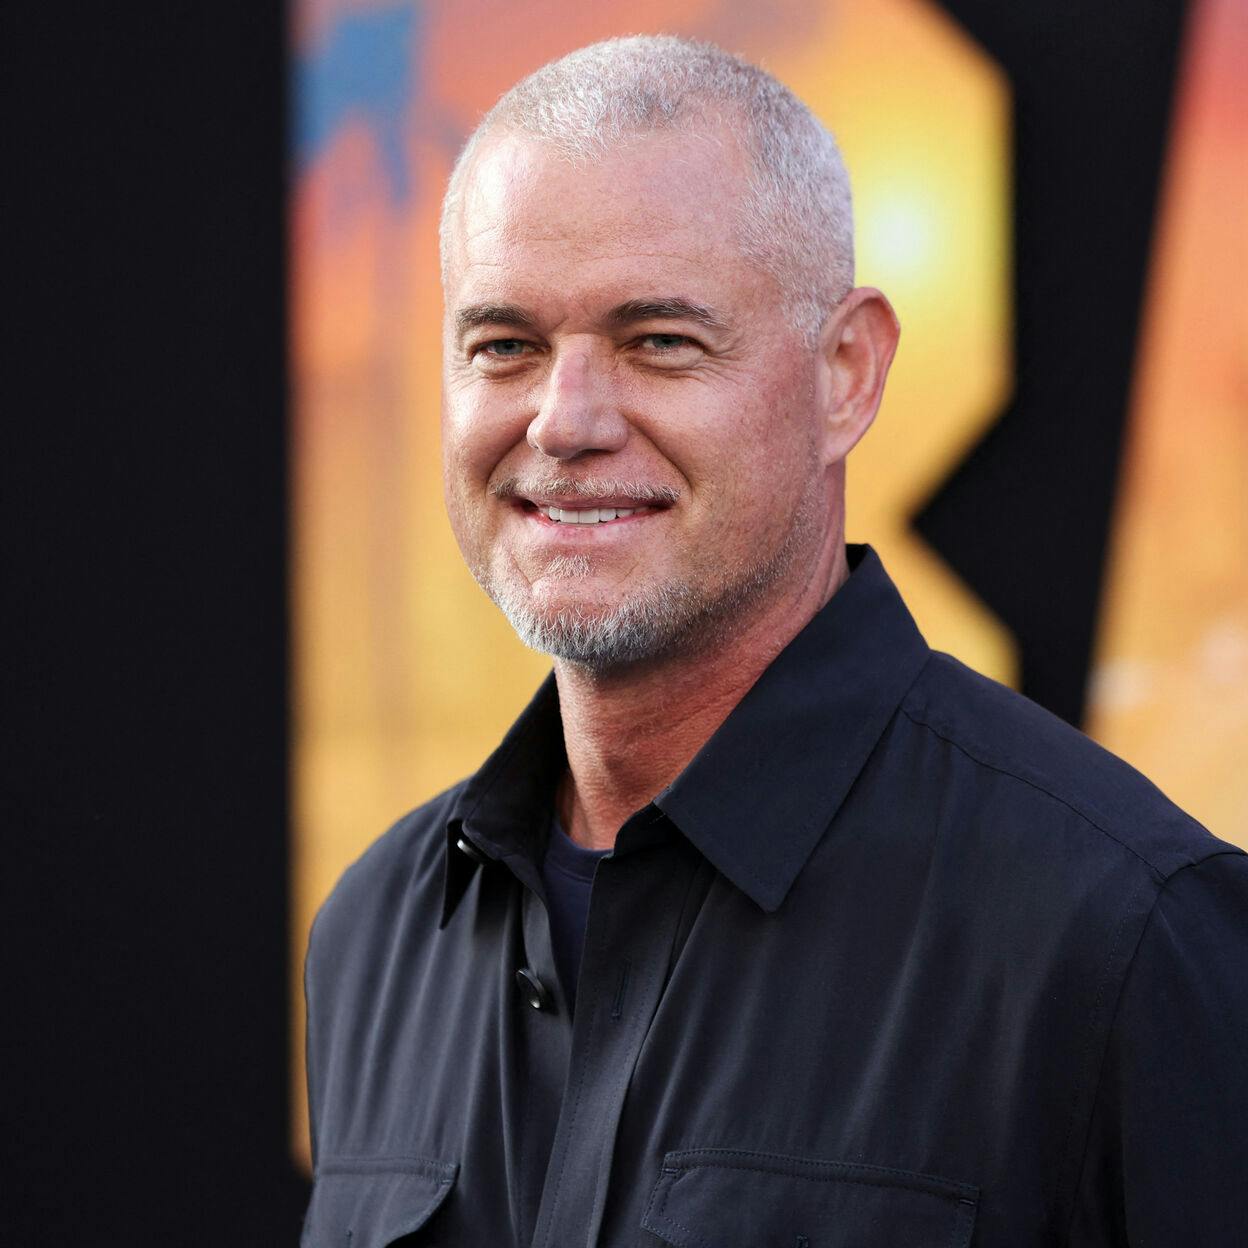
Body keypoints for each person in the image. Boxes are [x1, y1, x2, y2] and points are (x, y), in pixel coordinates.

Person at [300, 35, 1248, 1248]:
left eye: (660, 342)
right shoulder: (379, 930)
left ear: (847, 372)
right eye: (505, 346)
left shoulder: (1121, 934)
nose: (567, 419)